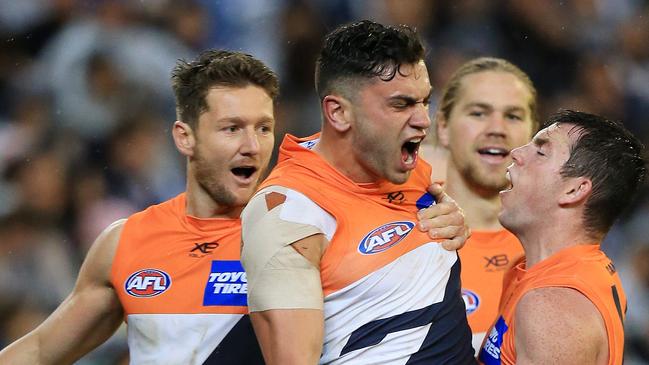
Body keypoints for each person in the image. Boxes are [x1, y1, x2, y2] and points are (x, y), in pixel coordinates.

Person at [0, 49, 278, 364]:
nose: (253, 146)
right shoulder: (125, 243)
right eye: (232, 128)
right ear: (185, 138)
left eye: (263, 128)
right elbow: (39, 352)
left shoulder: (295, 236)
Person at [240, 20, 474, 364]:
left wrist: (459, 221)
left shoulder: (408, 167)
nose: (424, 119)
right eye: (401, 105)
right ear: (338, 112)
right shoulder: (290, 214)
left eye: (425, 101)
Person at [479, 110, 647, 365]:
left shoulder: (553, 306)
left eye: (541, 151)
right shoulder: (554, 273)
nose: (516, 153)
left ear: (575, 189)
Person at [430, 57, 539, 351]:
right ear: (443, 127)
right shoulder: (406, 237)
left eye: (513, 116)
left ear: (534, 135)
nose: (497, 128)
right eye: (479, 113)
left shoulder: (554, 251)